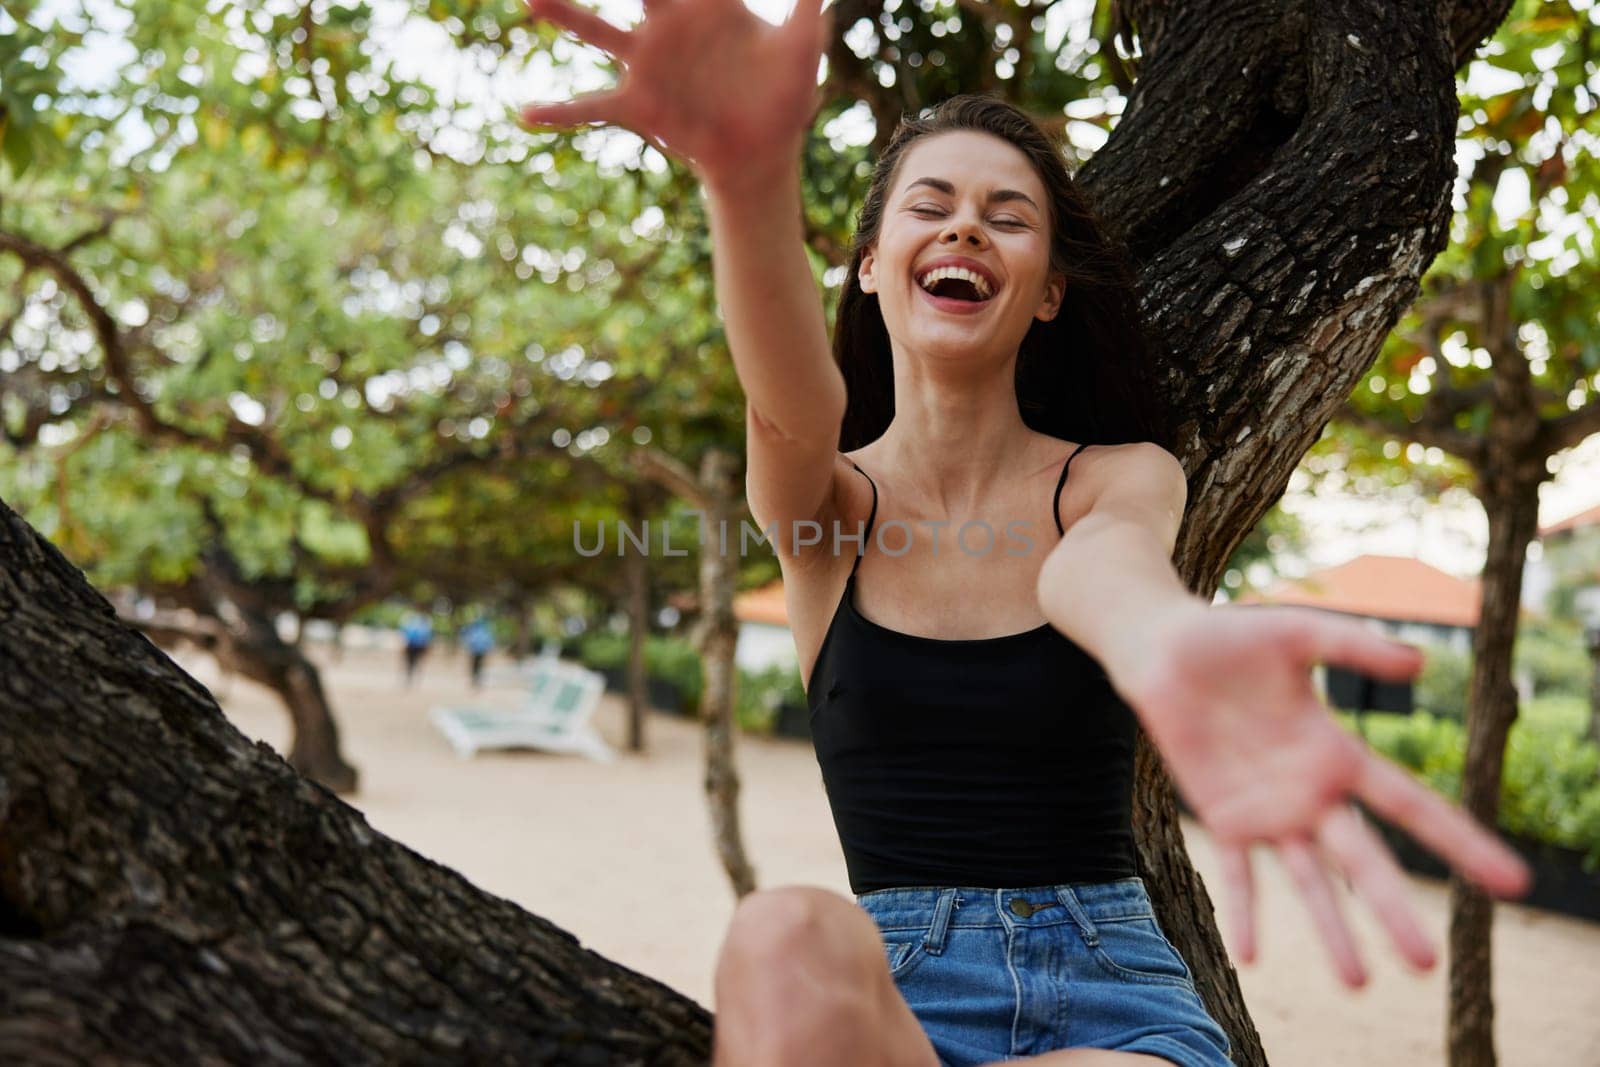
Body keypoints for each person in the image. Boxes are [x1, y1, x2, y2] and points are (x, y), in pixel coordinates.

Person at [518, 2, 1531, 1064]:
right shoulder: (828, 516)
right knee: (781, 929)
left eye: (1006, 215)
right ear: (870, 264)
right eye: (931, 206)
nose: (963, 227)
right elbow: (785, 405)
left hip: (1112, 997)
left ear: (1048, 290)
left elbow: (1107, 573)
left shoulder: (1114, 479)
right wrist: (744, 177)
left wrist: (1166, 641)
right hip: (893, 996)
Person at [400, 610, 433, 687]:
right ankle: (410, 678)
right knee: (410, 662)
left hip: (418, 646)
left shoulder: (424, 623)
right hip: (412, 645)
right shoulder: (412, 622)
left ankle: (414, 679)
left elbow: (427, 637)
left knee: (416, 662)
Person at [462, 617, 495, 688]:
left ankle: (476, 678)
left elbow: (469, 639)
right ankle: (476, 678)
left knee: (475, 665)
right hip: (479, 650)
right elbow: (488, 640)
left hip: (476, 650)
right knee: (478, 665)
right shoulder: (484, 629)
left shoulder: (475, 629)